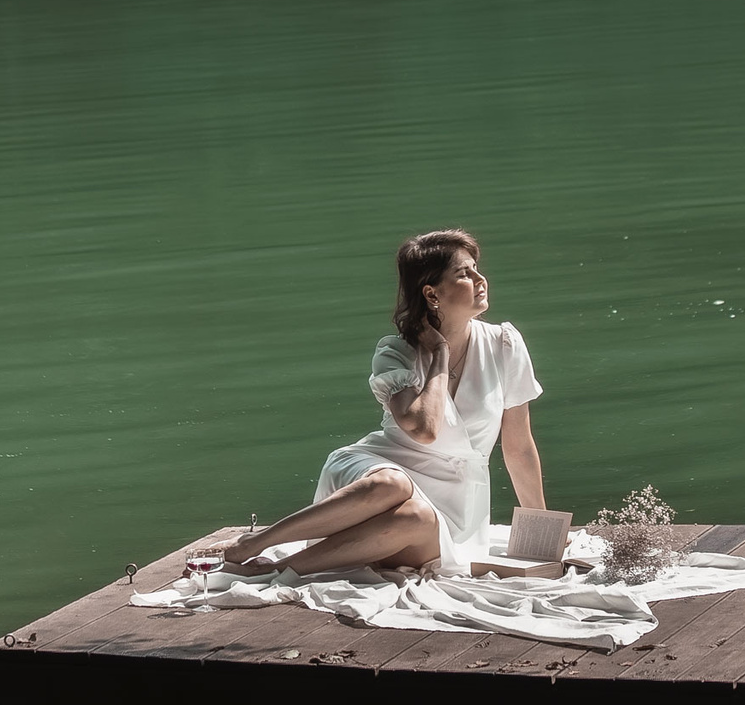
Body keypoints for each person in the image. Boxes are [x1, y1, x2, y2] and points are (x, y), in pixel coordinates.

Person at [224, 229, 545, 576]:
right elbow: (423, 429)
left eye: (477, 268)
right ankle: (255, 544)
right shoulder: (395, 353)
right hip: (377, 471)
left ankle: (277, 570)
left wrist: (542, 532)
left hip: (458, 503)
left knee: (416, 517)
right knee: (393, 485)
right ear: (431, 293)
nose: (480, 279)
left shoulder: (505, 344)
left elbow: (519, 447)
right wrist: (439, 354)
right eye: (464, 273)